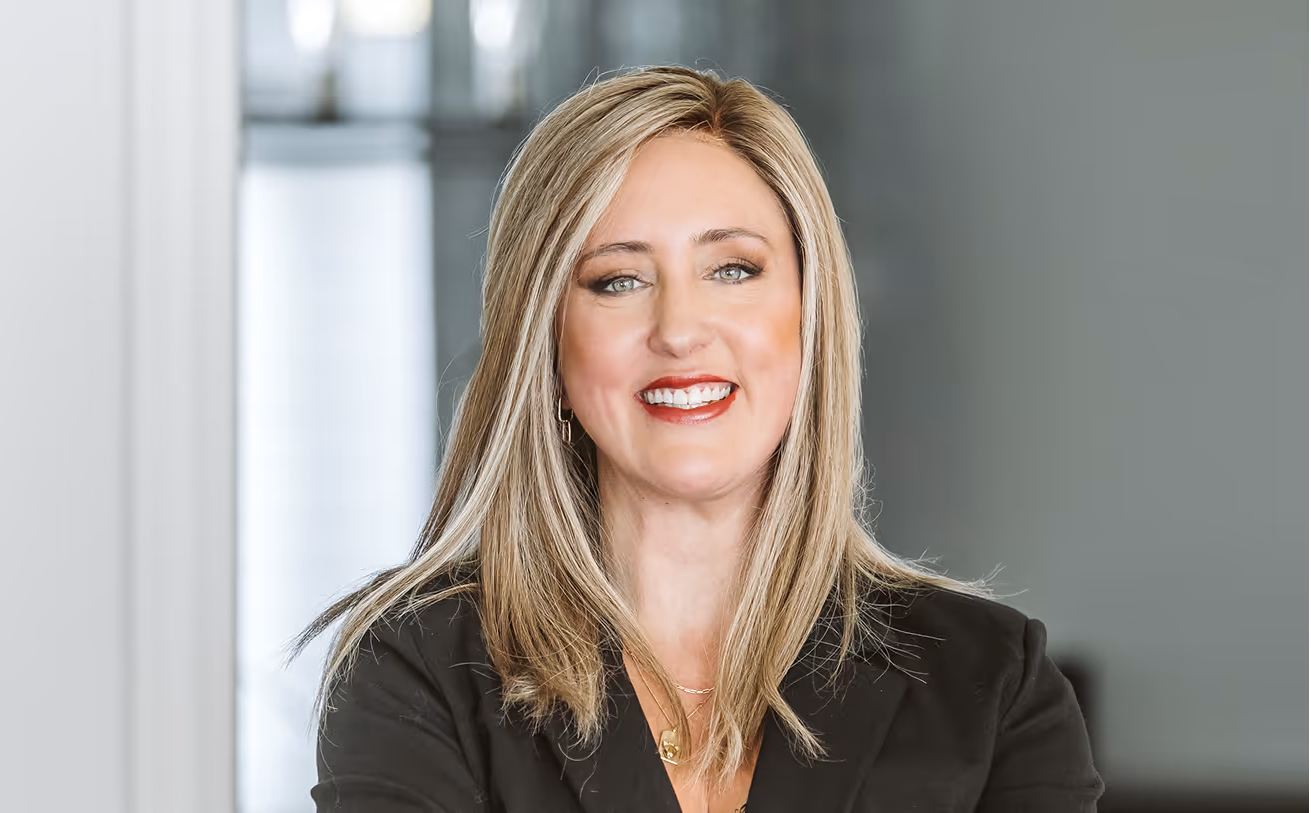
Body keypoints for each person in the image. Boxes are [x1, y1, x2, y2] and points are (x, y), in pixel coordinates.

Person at [296, 66, 1104, 813]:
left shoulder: (993, 685)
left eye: (733, 270)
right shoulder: (418, 673)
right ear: (547, 346)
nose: (680, 330)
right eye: (618, 280)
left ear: (808, 315)